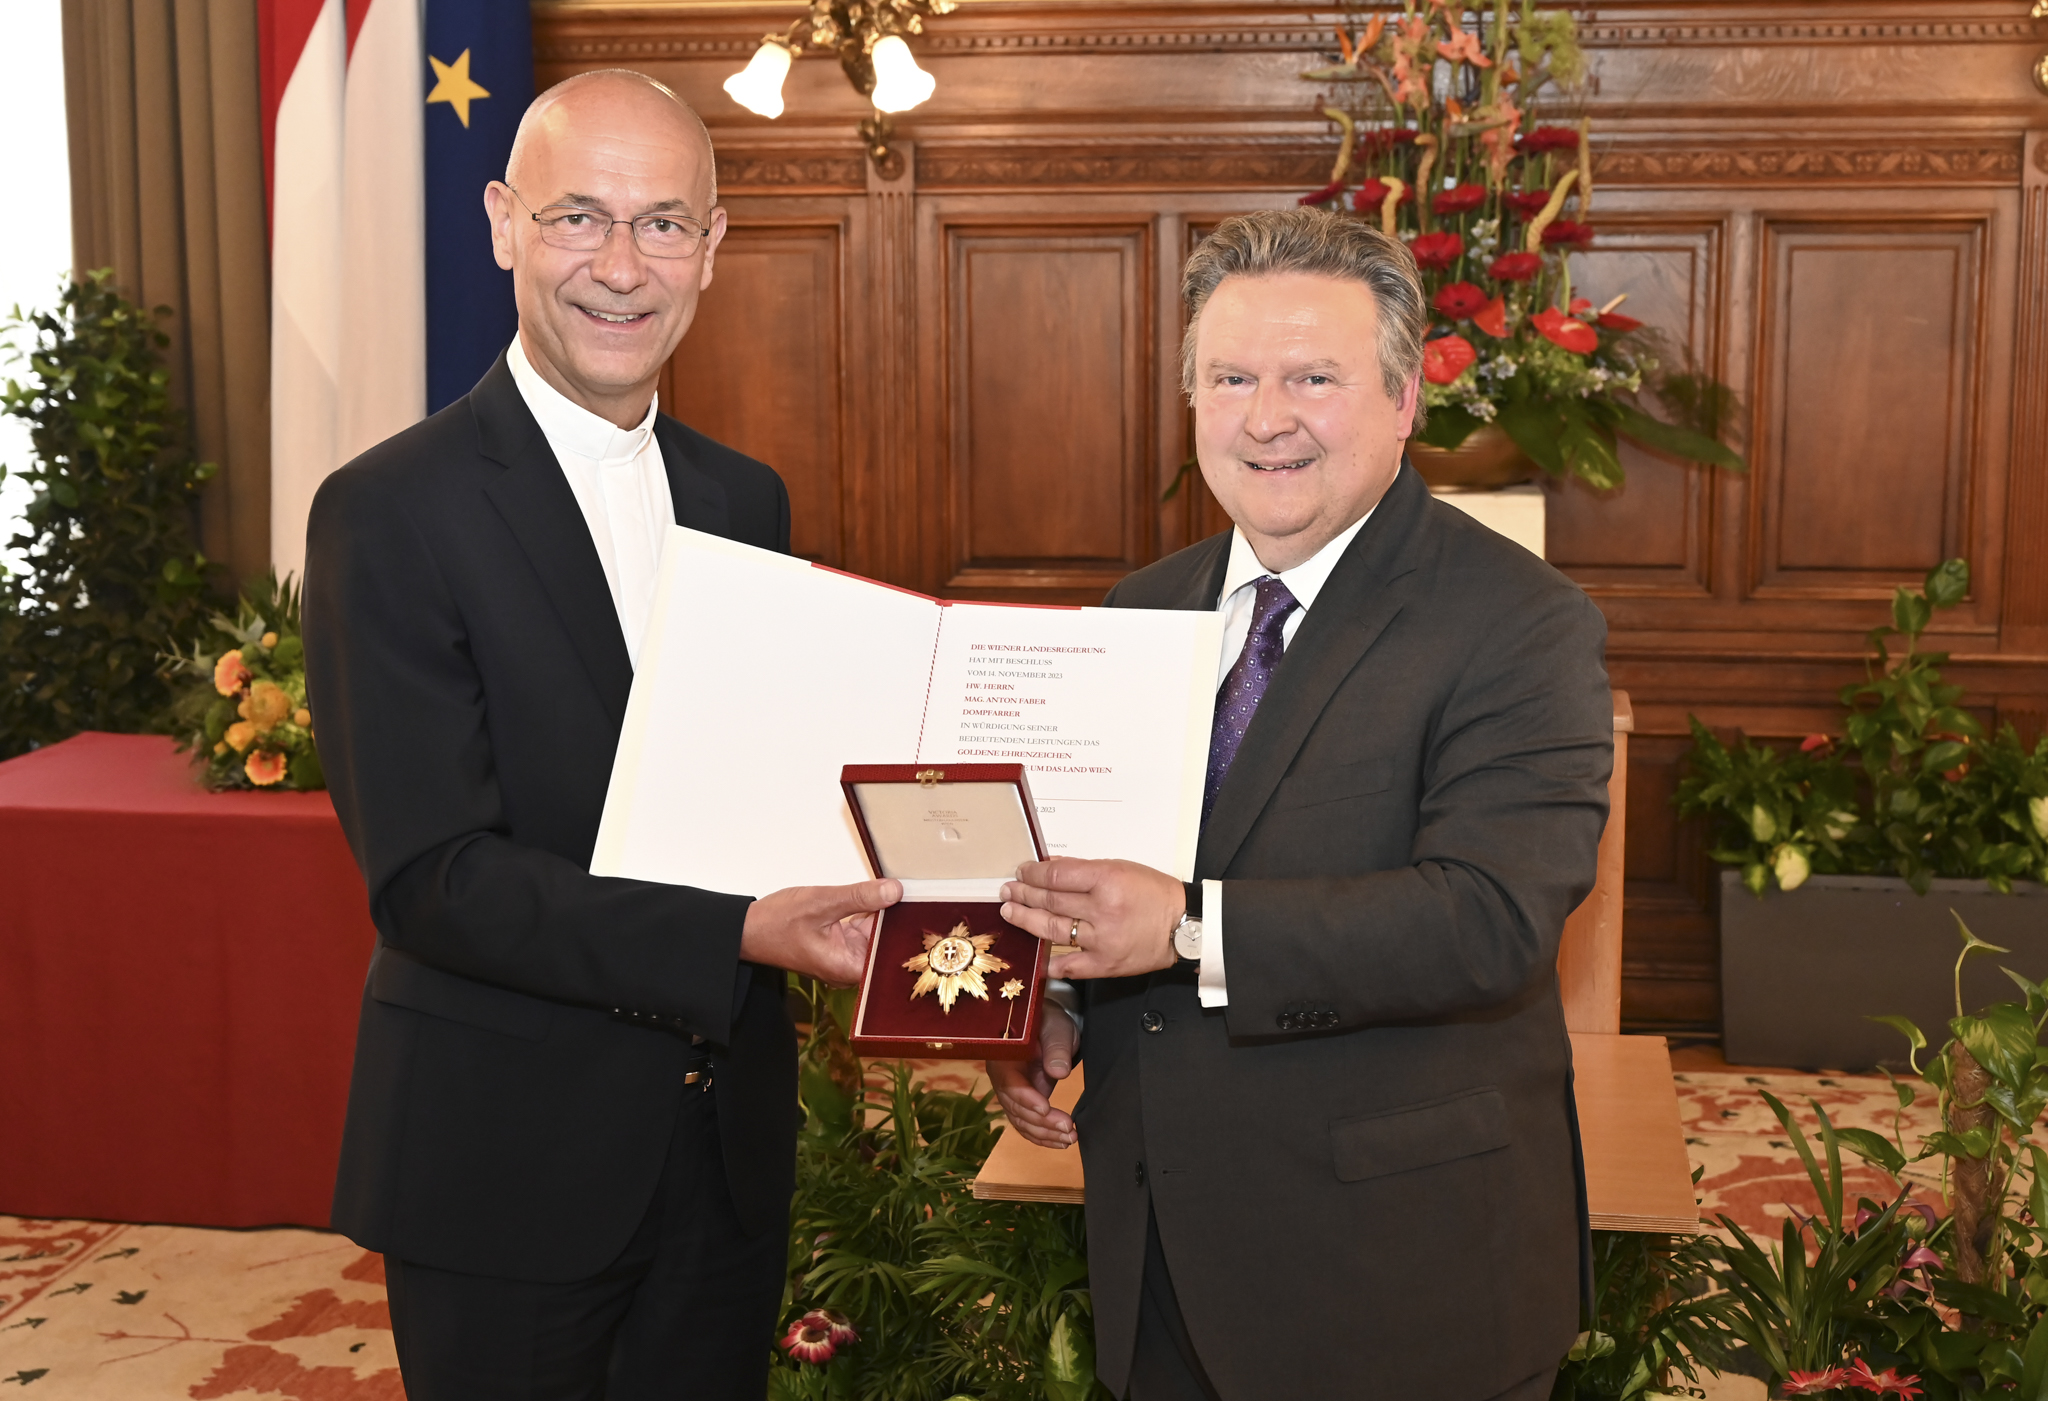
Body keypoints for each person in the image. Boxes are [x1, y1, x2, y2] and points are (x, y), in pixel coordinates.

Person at [303, 70, 898, 1399]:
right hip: (504, 1161)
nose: (621, 267)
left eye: (662, 224)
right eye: (580, 217)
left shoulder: (746, 501)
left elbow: (760, 798)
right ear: (505, 221)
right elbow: (432, 879)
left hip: (723, 1156)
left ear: (714, 246)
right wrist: (738, 931)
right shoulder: (388, 511)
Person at [989, 208, 1614, 1400]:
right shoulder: (1138, 609)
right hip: (1159, 1258)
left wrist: (1181, 929)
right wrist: (1048, 1001)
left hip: (1395, 1277)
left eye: (1310, 378)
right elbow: (1100, 868)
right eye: (1229, 378)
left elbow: (1488, 919)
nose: (1264, 417)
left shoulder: (1518, 624)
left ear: (1400, 400)